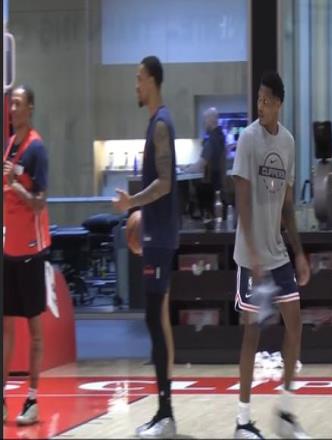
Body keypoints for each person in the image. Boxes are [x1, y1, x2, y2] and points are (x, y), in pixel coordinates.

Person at [232, 71, 311, 439]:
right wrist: (252, 253)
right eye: (258, 100)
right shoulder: (248, 139)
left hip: (278, 255)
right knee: (252, 333)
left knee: (295, 326)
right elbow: (242, 199)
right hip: (251, 257)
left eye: (267, 100)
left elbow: (288, 206)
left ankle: (286, 413)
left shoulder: (289, 142)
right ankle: (242, 421)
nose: (260, 106)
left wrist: (299, 252)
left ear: (279, 104)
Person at [113, 56, 178, 439]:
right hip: (156, 233)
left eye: (139, 78)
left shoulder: (162, 124)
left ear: (152, 80)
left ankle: (166, 414)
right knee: (157, 320)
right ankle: (164, 412)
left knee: (154, 319)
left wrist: (132, 203)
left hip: (159, 237)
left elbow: (166, 183)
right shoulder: (156, 122)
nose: (135, 85)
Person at [3, 85, 51, 425]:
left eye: (18, 104)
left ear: (30, 108)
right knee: (5, 327)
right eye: (11, 104)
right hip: (9, 247)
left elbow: (39, 202)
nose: (12, 109)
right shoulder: (9, 144)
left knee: (34, 329)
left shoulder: (36, 149)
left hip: (32, 249)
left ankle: (32, 400)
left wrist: (16, 184)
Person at [182, 107, 226, 220]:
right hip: (218, 185)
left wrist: (185, 170)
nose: (204, 124)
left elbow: (200, 165)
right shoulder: (220, 137)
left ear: (210, 120)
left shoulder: (212, 140)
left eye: (205, 120)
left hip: (210, 189)